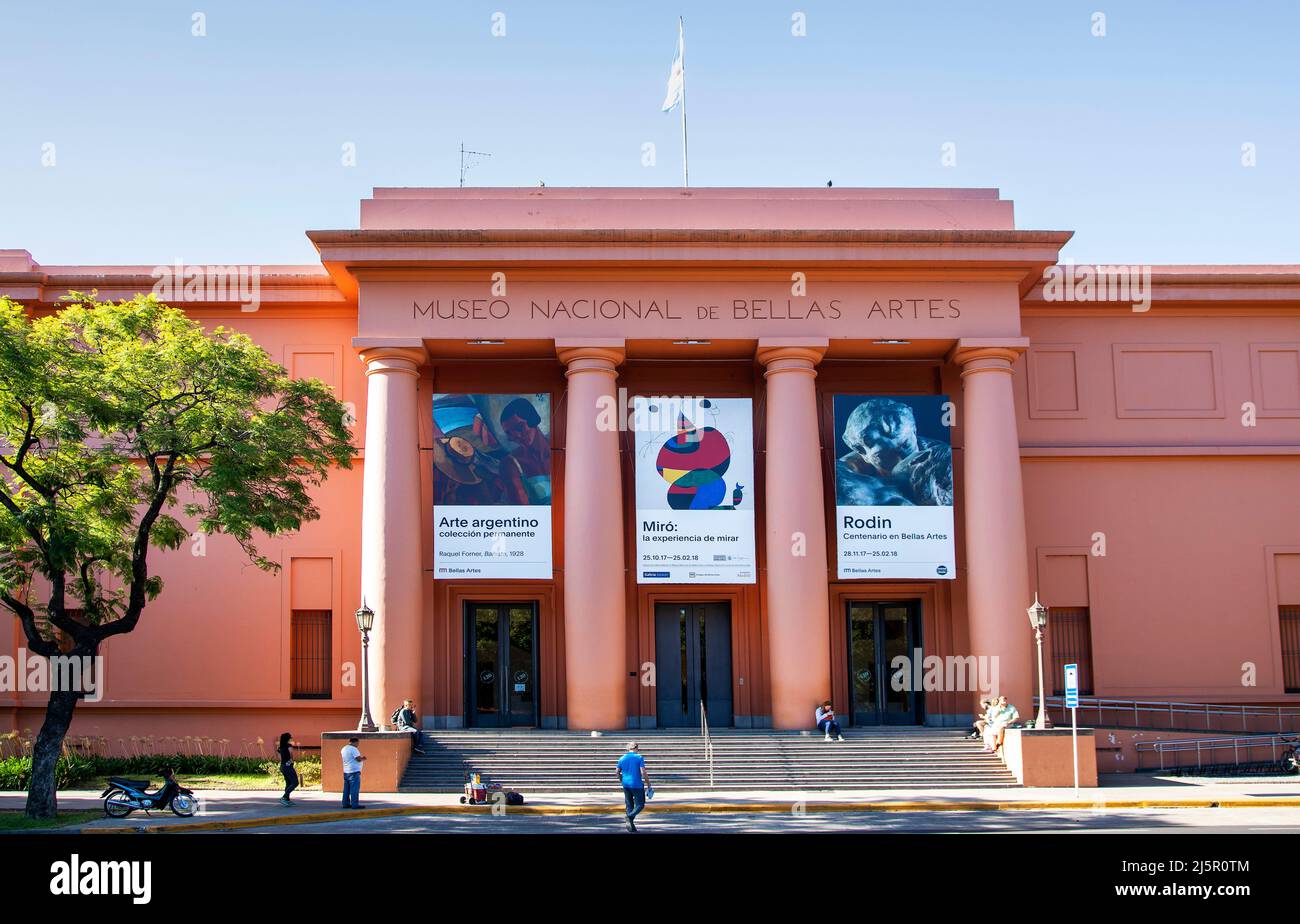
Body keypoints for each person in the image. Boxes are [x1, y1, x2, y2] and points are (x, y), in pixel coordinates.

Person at [276, 732, 320, 806]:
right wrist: (291, 762)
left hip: (283, 766)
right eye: (290, 737)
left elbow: (280, 758)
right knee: (295, 783)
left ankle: (287, 799)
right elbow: (291, 756)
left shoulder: (279, 748)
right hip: (288, 766)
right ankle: (284, 798)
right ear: (287, 739)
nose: (291, 739)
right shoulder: (289, 746)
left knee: (288, 783)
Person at [616, 741, 651, 833]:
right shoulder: (639, 757)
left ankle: (631, 826)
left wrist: (621, 780)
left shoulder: (622, 758)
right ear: (636, 748)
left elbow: (617, 772)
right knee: (640, 804)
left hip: (626, 785)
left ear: (628, 749)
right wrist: (648, 784)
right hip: (637, 784)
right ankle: (630, 817)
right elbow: (643, 772)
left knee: (629, 805)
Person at [341, 736, 366, 809]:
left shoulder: (344, 748)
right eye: (358, 743)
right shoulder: (354, 749)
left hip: (346, 771)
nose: (358, 744)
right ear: (355, 742)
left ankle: (345, 803)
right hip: (354, 772)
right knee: (354, 789)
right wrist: (363, 758)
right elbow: (358, 759)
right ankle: (355, 804)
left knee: (346, 789)